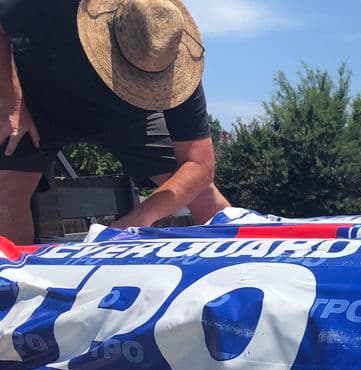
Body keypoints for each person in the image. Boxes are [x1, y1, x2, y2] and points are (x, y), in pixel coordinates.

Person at [0, 0, 230, 243]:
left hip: (128, 115)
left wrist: (136, 221)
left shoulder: (171, 53)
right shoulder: (54, 7)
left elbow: (200, 166)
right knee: (6, 191)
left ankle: (240, 267)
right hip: (43, 102)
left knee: (202, 194)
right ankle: (11, 276)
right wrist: (12, 103)